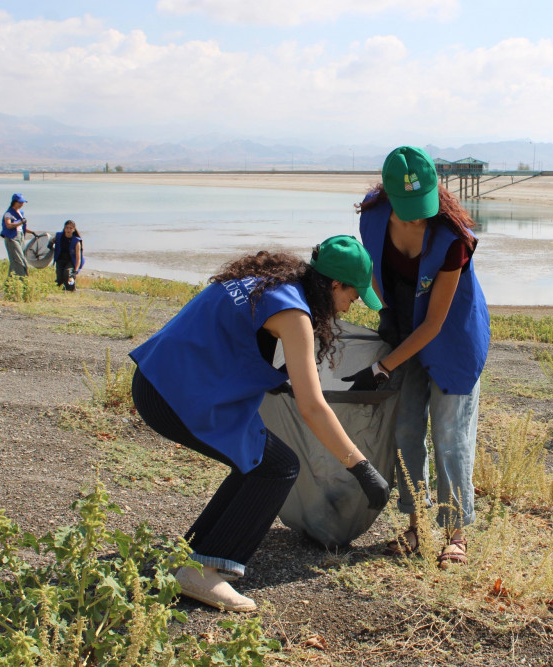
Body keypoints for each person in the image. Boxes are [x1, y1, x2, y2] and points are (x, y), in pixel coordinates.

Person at [129, 235, 390, 612]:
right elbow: (313, 407)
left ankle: (189, 558)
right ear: (335, 285)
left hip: (157, 379)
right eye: (352, 296)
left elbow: (229, 336)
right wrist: (361, 467)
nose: (349, 307)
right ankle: (203, 570)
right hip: (176, 395)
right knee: (277, 467)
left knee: (255, 460)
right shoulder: (294, 314)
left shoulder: (270, 283)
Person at [346, 146, 490, 569]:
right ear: (388, 195)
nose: (416, 218)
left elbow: (435, 325)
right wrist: (376, 317)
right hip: (405, 333)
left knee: (449, 436)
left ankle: (456, 533)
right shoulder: (372, 218)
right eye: (406, 209)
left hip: (451, 338)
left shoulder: (453, 239)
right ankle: (414, 525)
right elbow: (374, 279)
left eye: (422, 207)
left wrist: (383, 366)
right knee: (406, 429)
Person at [0, 193, 35, 276]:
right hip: (12, 239)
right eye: (19, 202)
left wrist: (32, 232)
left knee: (14, 261)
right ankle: (24, 280)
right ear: (14, 202)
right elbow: (8, 225)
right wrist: (20, 223)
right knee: (19, 260)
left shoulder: (20, 212)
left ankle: (9, 285)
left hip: (20, 237)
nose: (21, 204)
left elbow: (21, 228)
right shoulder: (8, 214)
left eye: (22, 203)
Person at [52, 219, 84, 290]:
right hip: (60, 260)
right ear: (64, 228)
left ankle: (72, 289)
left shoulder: (76, 241)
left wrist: (75, 271)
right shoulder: (59, 237)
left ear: (74, 230)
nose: (68, 230)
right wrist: (51, 243)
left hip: (71, 261)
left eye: (70, 228)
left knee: (67, 274)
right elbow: (51, 243)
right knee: (60, 279)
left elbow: (78, 258)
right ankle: (63, 288)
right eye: (67, 228)